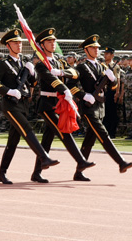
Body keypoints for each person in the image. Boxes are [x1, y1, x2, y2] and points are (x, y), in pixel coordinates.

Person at [0, 28, 58, 184]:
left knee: (13, 141)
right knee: (27, 129)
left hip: (23, 104)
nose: (19, 45)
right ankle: (44, 158)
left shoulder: (23, 62)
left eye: (20, 42)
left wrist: (32, 73)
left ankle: (2, 173)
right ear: (8, 45)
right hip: (10, 105)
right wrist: (9, 91)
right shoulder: (3, 64)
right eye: (15, 43)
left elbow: (32, 83)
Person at [30, 28, 95, 184]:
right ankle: (80, 161)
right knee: (63, 131)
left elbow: (74, 72)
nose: (53, 44)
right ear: (42, 45)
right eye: (49, 41)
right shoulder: (40, 63)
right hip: (46, 104)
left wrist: (62, 72)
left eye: (54, 41)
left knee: (47, 139)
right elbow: (49, 79)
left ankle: (36, 173)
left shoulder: (59, 61)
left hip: (58, 103)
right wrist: (63, 88)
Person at [70, 35, 132, 180]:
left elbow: (113, 87)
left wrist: (112, 80)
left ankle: (79, 171)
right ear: (86, 50)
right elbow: (70, 86)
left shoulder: (102, 66)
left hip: (100, 106)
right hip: (88, 107)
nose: (97, 50)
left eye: (98, 48)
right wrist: (83, 95)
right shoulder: (80, 67)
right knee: (103, 133)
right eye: (94, 48)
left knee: (89, 140)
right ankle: (121, 162)